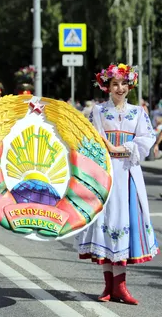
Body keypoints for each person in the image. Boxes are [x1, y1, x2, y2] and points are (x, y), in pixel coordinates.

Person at [75, 63, 159, 305]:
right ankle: (108, 286)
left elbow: (146, 140)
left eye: (124, 83)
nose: (120, 88)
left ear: (130, 85)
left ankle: (121, 286)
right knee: (107, 223)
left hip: (129, 175)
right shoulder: (99, 112)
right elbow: (88, 140)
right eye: (115, 84)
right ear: (107, 87)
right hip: (106, 175)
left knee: (124, 223)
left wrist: (118, 148)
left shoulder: (138, 112)